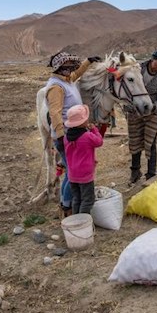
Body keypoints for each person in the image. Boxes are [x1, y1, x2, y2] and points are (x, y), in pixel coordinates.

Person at [45, 51, 101, 217]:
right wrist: (62, 137)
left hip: (72, 134)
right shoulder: (56, 87)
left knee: (71, 171)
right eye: (68, 66)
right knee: (72, 173)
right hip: (68, 136)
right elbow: (55, 113)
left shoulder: (66, 80)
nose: (71, 70)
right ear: (60, 68)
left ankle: (67, 203)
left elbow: (76, 75)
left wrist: (88, 62)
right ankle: (67, 207)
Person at [124, 49, 157, 184]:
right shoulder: (136, 69)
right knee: (135, 139)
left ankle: (150, 174)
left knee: (150, 141)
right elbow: (126, 87)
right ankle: (135, 171)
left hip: (153, 113)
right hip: (134, 110)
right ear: (153, 59)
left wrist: (153, 106)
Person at [64, 104, 104, 215]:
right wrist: (94, 130)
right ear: (82, 122)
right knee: (87, 200)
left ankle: (76, 220)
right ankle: (83, 222)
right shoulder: (87, 136)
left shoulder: (66, 137)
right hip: (85, 175)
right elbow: (99, 142)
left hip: (72, 175)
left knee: (76, 199)